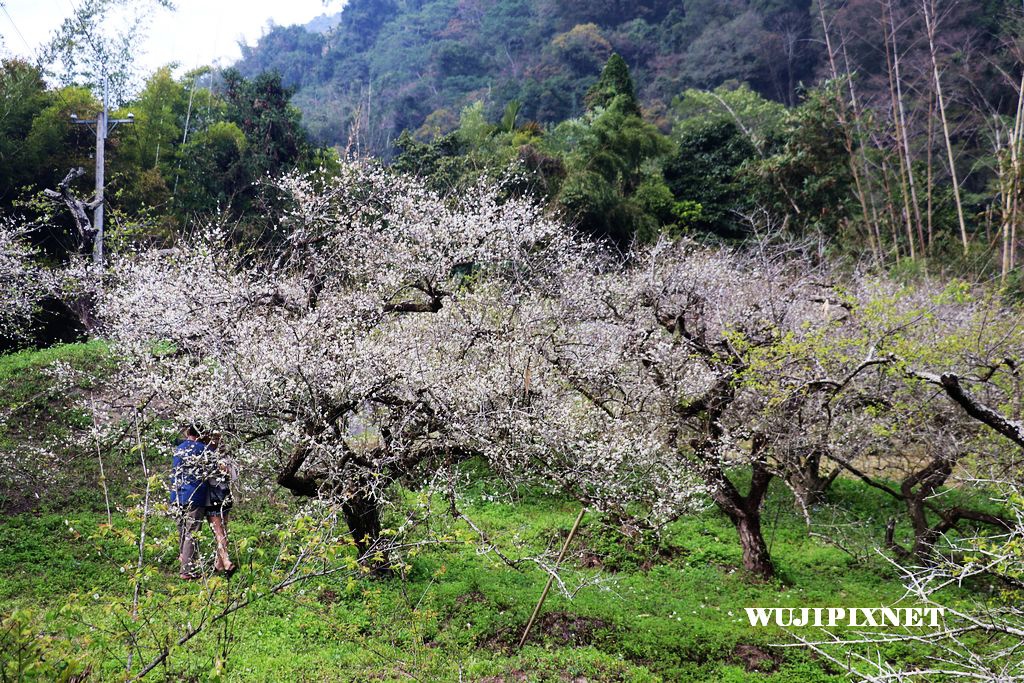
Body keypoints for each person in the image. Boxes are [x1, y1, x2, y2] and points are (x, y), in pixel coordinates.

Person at [169, 425, 210, 580]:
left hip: (177, 494)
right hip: (195, 495)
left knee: (182, 530)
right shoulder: (203, 449)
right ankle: (187, 570)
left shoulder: (179, 448)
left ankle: (184, 559)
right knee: (192, 532)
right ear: (202, 434)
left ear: (188, 433)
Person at [204, 434, 237, 576]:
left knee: (218, 531)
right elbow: (235, 477)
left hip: (212, 499)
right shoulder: (228, 458)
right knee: (223, 529)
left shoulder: (206, 457)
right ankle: (219, 564)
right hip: (226, 497)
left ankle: (226, 561)